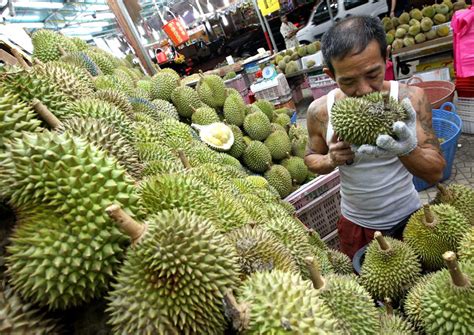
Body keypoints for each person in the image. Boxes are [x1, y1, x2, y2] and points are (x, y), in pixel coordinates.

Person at [304, 16, 445, 259]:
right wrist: (330, 160)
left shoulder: (410, 99)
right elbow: (309, 157)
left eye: (372, 74)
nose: (364, 90)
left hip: (409, 219)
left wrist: (407, 148)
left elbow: (435, 173)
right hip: (355, 224)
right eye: (347, 81)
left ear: (386, 57)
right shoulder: (320, 111)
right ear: (330, 74)